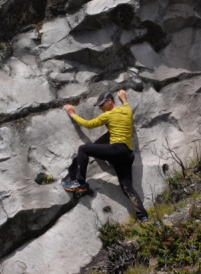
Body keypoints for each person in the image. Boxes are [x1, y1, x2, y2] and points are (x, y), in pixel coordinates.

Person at [62, 89, 148, 222]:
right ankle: (143, 216)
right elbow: (126, 104)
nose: (101, 108)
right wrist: (123, 98)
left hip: (117, 149)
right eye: (99, 106)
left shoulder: (108, 115)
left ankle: (80, 183)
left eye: (102, 105)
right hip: (128, 154)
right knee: (127, 188)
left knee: (83, 149)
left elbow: (88, 125)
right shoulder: (127, 110)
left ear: (109, 101)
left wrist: (72, 114)